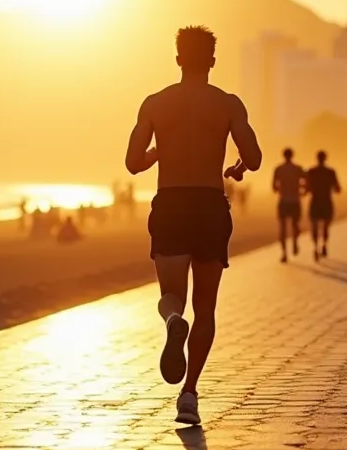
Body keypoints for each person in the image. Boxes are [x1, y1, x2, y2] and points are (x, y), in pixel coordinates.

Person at [125, 25, 262, 425]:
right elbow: (254, 158)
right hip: (209, 205)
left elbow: (132, 162)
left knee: (172, 296)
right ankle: (189, 395)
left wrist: (159, 150)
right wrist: (237, 165)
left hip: (170, 203)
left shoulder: (155, 103)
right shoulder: (228, 104)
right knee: (205, 307)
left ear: (178, 59)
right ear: (212, 61)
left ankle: (172, 321)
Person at [305, 150, 341, 261]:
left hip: (315, 201)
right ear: (325, 158)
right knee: (325, 226)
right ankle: (324, 245)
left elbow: (307, 188)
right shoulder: (330, 172)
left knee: (315, 226)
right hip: (326, 201)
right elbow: (337, 188)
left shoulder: (311, 171)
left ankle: (316, 247)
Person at [272, 148, 306, 263]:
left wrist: (281, 189)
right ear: (292, 155)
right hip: (295, 200)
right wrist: (302, 190)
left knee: (283, 228)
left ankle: (284, 253)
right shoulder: (298, 169)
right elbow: (306, 181)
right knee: (295, 225)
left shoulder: (278, 169)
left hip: (283, 201)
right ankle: (295, 243)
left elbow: (274, 187)